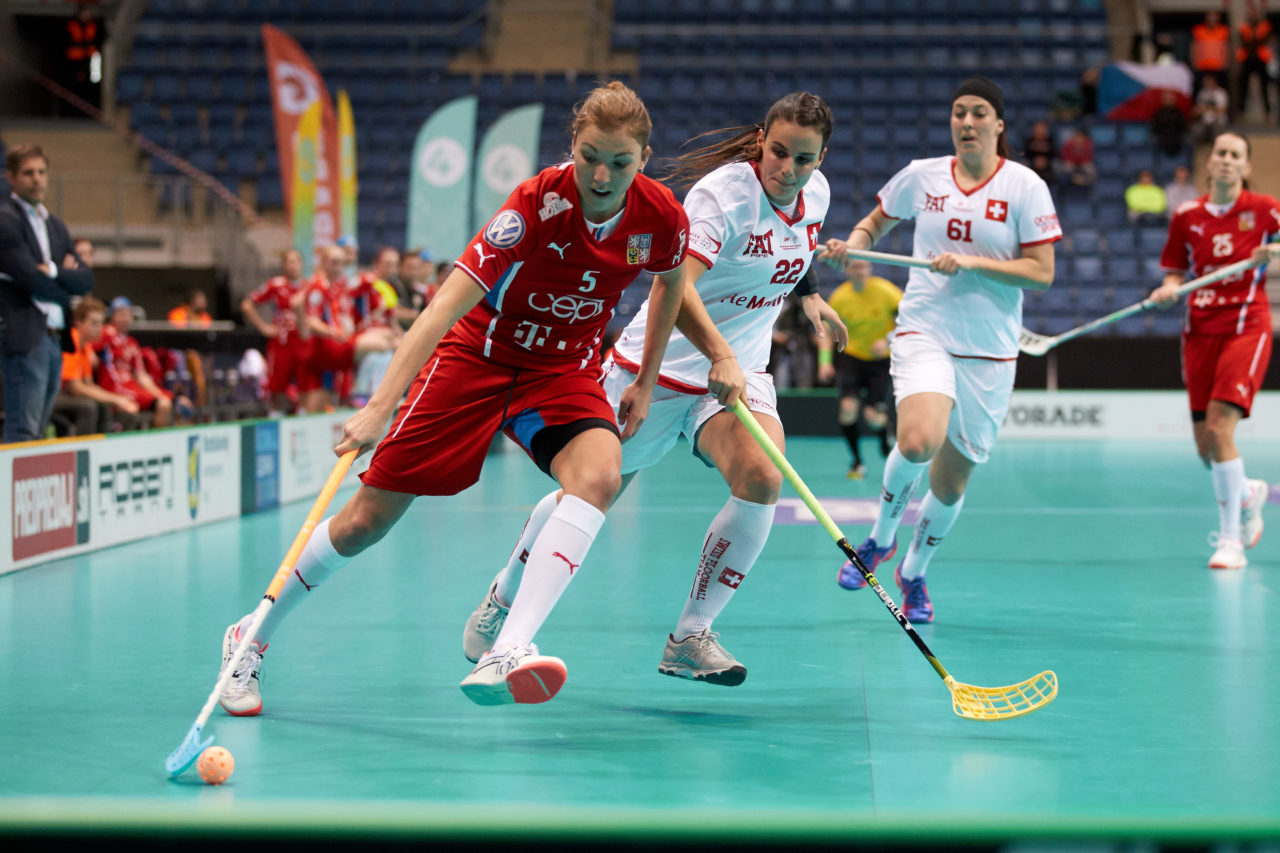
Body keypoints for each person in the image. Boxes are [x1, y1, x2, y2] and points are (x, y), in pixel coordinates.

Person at [212, 81, 714, 715]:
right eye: (590, 155)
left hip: (560, 372)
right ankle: (250, 636)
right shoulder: (534, 203)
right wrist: (380, 404)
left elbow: (671, 287)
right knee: (366, 522)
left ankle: (512, 644)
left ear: (643, 158)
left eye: (620, 161)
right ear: (573, 147)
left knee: (599, 477)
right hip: (476, 362)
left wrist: (645, 378)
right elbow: (443, 306)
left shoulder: (661, 214)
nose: (602, 174)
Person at [461, 92, 845, 686]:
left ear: (821, 160)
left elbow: (797, 242)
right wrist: (717, 353)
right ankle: (504, 595)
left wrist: (811, 293)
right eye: (778, 153)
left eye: (804, 160)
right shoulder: (722, 196)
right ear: (761, 139)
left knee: (764, 476)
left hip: (738, 379)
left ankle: (691, 635)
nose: (787, 171)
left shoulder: (813, 194)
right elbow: (676, 286)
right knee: (591, 494)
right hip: (660, 370)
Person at [818, 77, 1061, 620]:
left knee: (949, 484)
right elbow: (876, 221)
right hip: (926, 329)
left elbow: (1042, 273)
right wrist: (853, 246)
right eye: (958, 113)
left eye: (978, 114)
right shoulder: (923, 176)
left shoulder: (1025, 187)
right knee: (918, 439)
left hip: (991, 351)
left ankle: (914, 572)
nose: (967, 123)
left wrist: (973, 262)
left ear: (999, 125)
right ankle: (879, 541)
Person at [1150, 131, 1277, 570]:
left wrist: (1273, 250)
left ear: (1245, 166)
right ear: (1210, 163)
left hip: (1245, 326)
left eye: (1235, 155)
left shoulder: (1264, 209)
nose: (1225, 160)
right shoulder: (1187, 214)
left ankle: (1230, 541)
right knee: (1207, 448)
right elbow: (1174, 272)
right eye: (1220, 153)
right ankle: (1247, 492)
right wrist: (1168, 290)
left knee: (1222, 429)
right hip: (1198, 329)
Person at [0, 143, 94, 443]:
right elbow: (29, 279)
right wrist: (64, 287)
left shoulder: (56, 226)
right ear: (11, 178)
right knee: (23, 429)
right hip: (27, 337)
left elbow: (85, 280)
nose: (37, 179)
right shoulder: (6, 220)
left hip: (55, 339)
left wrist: (53, 271)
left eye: (41, 172)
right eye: (28, 173)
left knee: (40, 431)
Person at [817, 256, 902, 480]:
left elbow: (910, 321)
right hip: (851, 357)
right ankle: (856, 461)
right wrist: (824, 361)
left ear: (870, 267)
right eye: (855, 267)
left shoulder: (887, 292)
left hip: (881, 360)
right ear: (847, 271)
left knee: (873, 415)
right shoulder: (840, 297)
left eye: (864, 266)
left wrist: (888, 339)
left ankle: (885, 433)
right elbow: (826, 331)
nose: (861, 271)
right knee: (847, 409)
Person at [292, 245, 397, 413]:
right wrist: (336, 333)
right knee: (382, 344)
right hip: (327, 347)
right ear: (323, 263)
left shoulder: (338, 285)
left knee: (391, 338)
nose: (338, 268)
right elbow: (311, 321)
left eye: (341, 263)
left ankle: (368, 392)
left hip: (335, 345)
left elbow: (297, 303)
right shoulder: (319, 286)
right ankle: (364, 393)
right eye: (334, 263)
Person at [95, 296, 192, 427]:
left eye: (128, 314)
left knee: (177, 403)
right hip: (113, 387)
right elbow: (88, 350)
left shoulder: (131, 343)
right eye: (121, 314)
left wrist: (163, 394)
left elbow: (141, 376)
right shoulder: (105, 333)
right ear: (112, 315)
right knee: (163, 404)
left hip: (130, 386)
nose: (125, 318)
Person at [52, 295, 139, 435]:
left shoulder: (86, 347)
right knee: (89, 407)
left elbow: (89, 384)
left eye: (101, 323)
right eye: (94, 323)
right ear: (78, 322)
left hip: (68, 395)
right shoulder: (71, 341)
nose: (99, 328)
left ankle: (102, 449)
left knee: (103, 405)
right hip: (54, 396)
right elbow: (76, 388)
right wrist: (116, 399)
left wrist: (118, 398)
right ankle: (83, 450)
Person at [242, 248, 306, 415]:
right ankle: (275, 414)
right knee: (276, 385)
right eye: (288, 262)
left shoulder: (309, 287)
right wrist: (263, 327)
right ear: (283, 265)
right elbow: (247, 305)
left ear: (301, 264)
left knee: (305, 385)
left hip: (304, 342)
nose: (292, 265)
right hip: (281, 343)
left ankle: (302, 415)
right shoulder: (275, 285)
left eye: (295, 261)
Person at [1235, 4, 1273, 120]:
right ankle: (1241, 112)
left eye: (1255, 13)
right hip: (1248, 59)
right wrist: (1254, 41)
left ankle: (1268, 113)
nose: (1253, 16)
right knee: (1244, 86)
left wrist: (1253, 41)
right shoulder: (1244, 27)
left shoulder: (1265, 26)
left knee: (1264, 87)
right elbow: (1244, 41)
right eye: (1251, 14)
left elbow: (1265, 40)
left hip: (1261, 59)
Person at [1191, 9, 1231, 96]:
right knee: (1198, 88)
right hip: (1202, 65)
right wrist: (1195, 62)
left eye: (1214, 16)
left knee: (1223, 88)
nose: (1212, 19)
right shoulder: (1198, 30)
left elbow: (1225, 47)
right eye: (1210, 16)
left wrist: (1226, 63)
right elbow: (1195, 47)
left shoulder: (1223, 30)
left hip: (1218, 66)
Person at [1150, 90, 1190, 157]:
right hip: (1162, 138)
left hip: (1176, 137)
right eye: (1166, 99)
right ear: (1163, 100)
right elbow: (1155, 128)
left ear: (1174, 101)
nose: (1168, 101)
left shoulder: (1178, 113)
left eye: (1170, 99)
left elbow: (1183, 127)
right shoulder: (1158, 113)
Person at [1194, 75, 1230, 145]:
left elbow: (1223, 109)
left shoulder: (1221, 93)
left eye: (1209, 82)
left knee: (1217, 133)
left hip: (1218, 121)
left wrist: (1206, 108)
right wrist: (1210, 108)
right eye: (1206, 82)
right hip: (1204, 121)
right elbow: (1198, 109)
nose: (1208, 84)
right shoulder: (1202, 93)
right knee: (1195, 130)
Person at [1022, 120, 1055, 185]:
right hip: (1032, 161)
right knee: (1023, 164)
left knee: (1057, 165)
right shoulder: (1029, 140)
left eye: (1042, 129)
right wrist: (1035, 160)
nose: (1040, 131)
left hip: (1048, 163)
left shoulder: (1050, 140)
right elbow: (1025, 154)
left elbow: (1054, 153)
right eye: (1038, 129)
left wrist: (1045, 160)